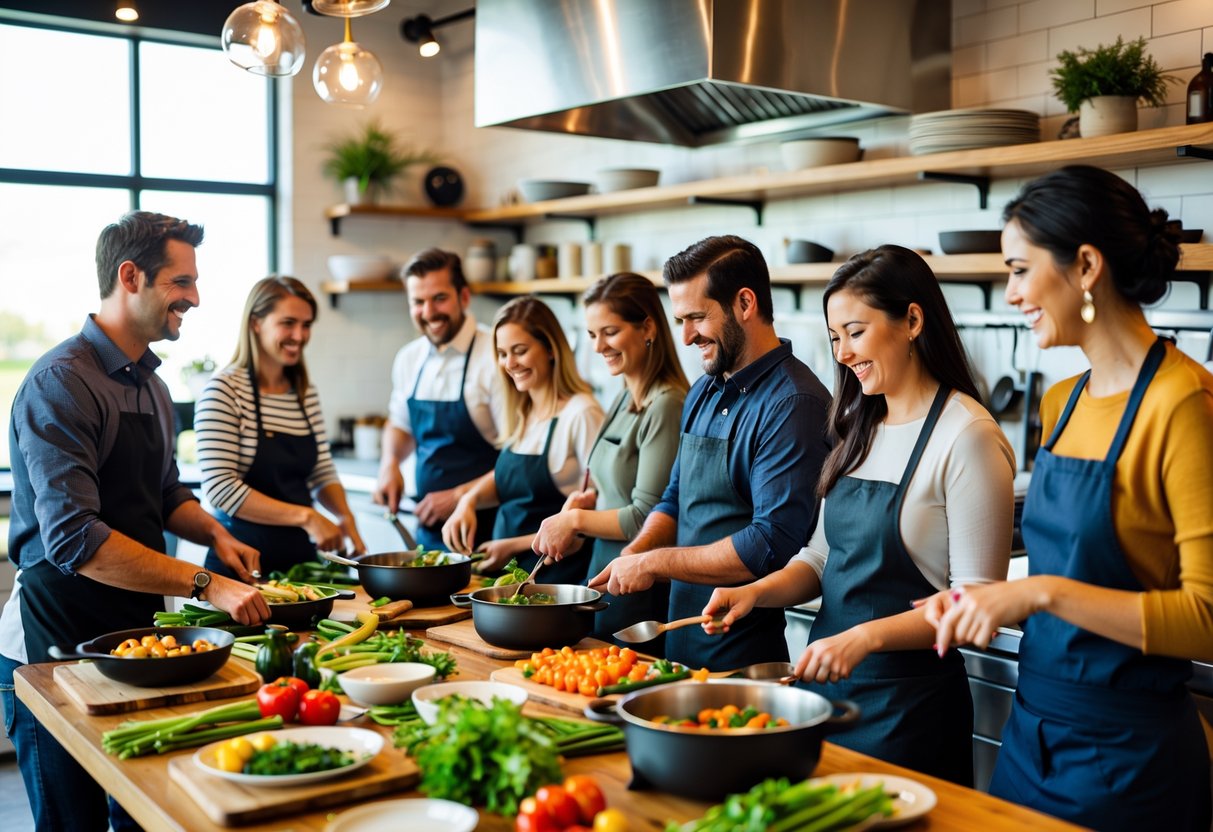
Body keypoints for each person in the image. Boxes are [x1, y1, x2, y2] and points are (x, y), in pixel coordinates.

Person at [921, 166, 1212, 828]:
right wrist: (981, 601)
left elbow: (1206, 616)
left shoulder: (1182, 403)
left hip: (1128, 757)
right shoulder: (1062, 402)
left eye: (1020, 270)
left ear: (1084, 265)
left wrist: (1036, 592)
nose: (1011, 292)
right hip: (1032, 733)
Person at [703, 245, 1015, 785]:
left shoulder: (968, 437)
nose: (843, 353)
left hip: (910, 715)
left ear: (912, 320)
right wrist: (757, 592)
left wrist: (867, 637)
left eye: (855, 332)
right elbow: (821, 559)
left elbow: (976, 606)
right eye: (834, 338)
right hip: (825, 699)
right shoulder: (857, 422)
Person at [0, 211, 271, 831]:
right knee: (75, 825)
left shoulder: (149, 382)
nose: (196, 298)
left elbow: (166, 491)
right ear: (131, 276)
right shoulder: (59, 383)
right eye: (182, 282)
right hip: (53, 647)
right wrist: (206, 584)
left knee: (142, 812)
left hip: (137, 637)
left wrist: (218, 535)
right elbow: (76, 541)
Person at [589, 235, 832, 670]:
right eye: (680, 319)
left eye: (697, 317)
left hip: (741, 650)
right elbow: (675, 498)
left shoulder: (794, 403)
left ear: (745, 303)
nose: (684, 337)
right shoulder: (704, 389)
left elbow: (769, 544)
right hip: (678, 641)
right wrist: (636, 553)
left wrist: (656, 563)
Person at [532, 273, 689, 649]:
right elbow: (611, 486)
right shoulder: (623, 394)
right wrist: (584, 506)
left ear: (647, 327)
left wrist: (573, 520)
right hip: (602, 573)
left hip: (637, 585)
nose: (599, 346)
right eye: (591, 335)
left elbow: (644, 515)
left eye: (610, 331)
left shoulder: (666, 404)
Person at [195, 276, 365, 577]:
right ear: (256, 323)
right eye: (288, 323)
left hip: (300, 564)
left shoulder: (302, 392)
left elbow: (320, 469)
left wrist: (345, 516)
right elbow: (220, 488)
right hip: (242, 563)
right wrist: (307, 516)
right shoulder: (224, 390)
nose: (299, 335)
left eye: (307, 324)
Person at [443, 297, 605, 583]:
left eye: (520, 351)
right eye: (502, 353)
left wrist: (513, 546)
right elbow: (507, 479)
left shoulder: (581, 413)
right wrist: (468, 500)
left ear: (551, 349)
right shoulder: (523, 410)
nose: (510, 363)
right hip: (512, 583)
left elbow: (592, 517)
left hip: (555, 585)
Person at [374, 248, 503, 549]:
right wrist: (389, 463)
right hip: (430, 533)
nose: (429, 312)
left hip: (491, 531)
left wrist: (460, 497)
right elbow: (400, 424)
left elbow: (519, 458)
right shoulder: (409, 358)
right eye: (418, 302)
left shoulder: (496, 356)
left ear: (464, 297)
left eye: (439, 298)